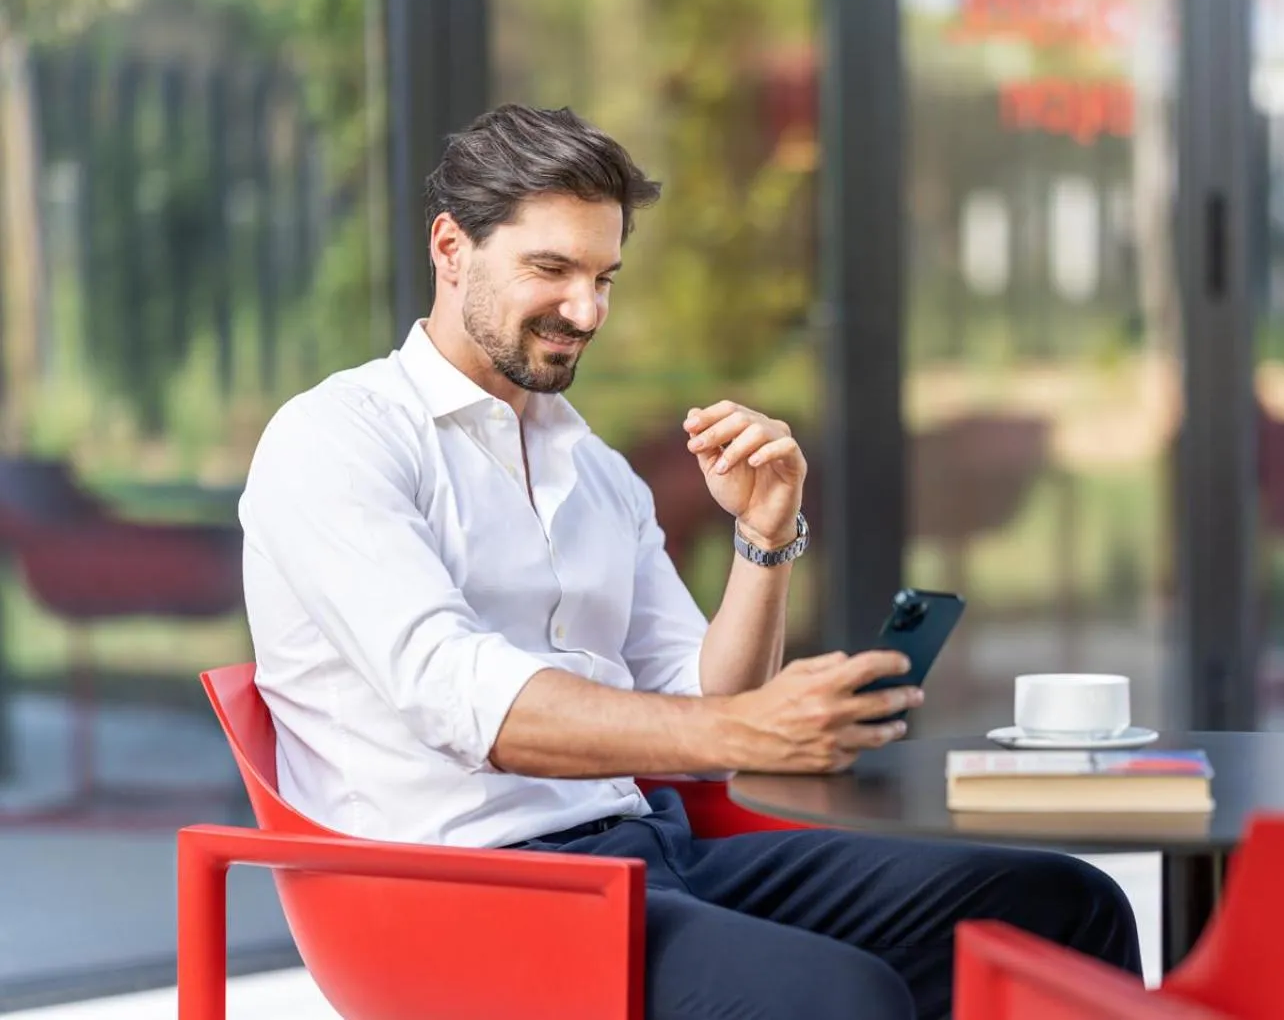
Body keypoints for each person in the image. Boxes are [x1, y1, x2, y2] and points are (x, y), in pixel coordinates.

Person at [239, 103, 1140, 1019]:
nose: (585, 310)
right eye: (551, 268)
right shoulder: (335, 441)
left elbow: (705, 703)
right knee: (842, 996)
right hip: (458, 894)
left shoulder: (595, 471)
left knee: (1064, 907)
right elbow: (463, 697)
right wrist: (751, 731)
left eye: (604, 277)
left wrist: (763, 538)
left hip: (649, 852)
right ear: (450, 248)